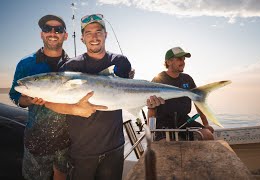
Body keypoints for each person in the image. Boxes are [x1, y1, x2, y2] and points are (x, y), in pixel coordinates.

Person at [59, 14, 164, 180]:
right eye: (88, 33)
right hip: (81, 150)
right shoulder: (71, 66)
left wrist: (149, 103)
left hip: (114, 147)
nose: (94, 37)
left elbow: (126, 93)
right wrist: (74, 108)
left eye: (98, 31)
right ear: (82, 38)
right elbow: (54, 101)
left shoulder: (121, 62)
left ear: (105, 34)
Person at [9, 14, 104, 180]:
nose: (52, 33)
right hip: (36, 140)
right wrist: (28, 100)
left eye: (58, 29)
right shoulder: (26, 63)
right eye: (47, 29)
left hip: (68, 141)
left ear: (65, 35)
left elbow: (96, 87)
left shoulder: (75, 65)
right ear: (41, 34)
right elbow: (15, 95)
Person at [148, 47, 214, 141]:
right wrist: (150, 131)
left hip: (184, 120)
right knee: (167, 144)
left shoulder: (188, 79)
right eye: (179, 59)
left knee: (208, 135)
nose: (183, 62)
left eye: (184, 59)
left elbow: (198, 103)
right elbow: (151, 107)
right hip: (163, 123)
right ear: (169, 62)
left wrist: (206, 124)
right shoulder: (158, 80)